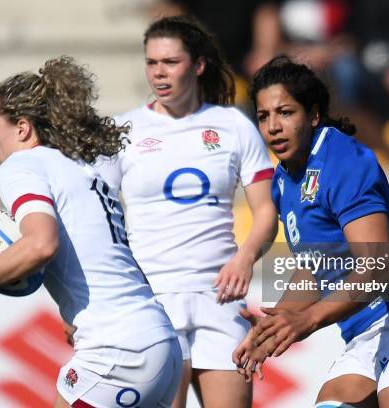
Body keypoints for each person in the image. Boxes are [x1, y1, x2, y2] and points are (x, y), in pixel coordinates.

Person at [233, 56, 389, 407]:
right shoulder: (283, 181)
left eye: (285, 112)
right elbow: (315, 267)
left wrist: (308, 320)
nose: (273, 127)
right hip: (364, 333)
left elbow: (376, 265)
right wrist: (279, 322)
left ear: (313, 115)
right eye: (264, 116)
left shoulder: (342, 159)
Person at [0, 56, 182, 408]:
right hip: (160, 341)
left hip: (118, 350)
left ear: (23, 128)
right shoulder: (83, 168)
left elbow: (41, 244)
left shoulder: (22, 165)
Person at [107, 15, 278, 408]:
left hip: (219, 298)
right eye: (152, 63)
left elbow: (267, 209)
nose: (159, 73)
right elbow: (97, 216)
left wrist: (246, 258)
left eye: (171, 62)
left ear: (198, 65)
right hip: (152, 299)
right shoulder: (123, 131)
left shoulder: (233, 125)